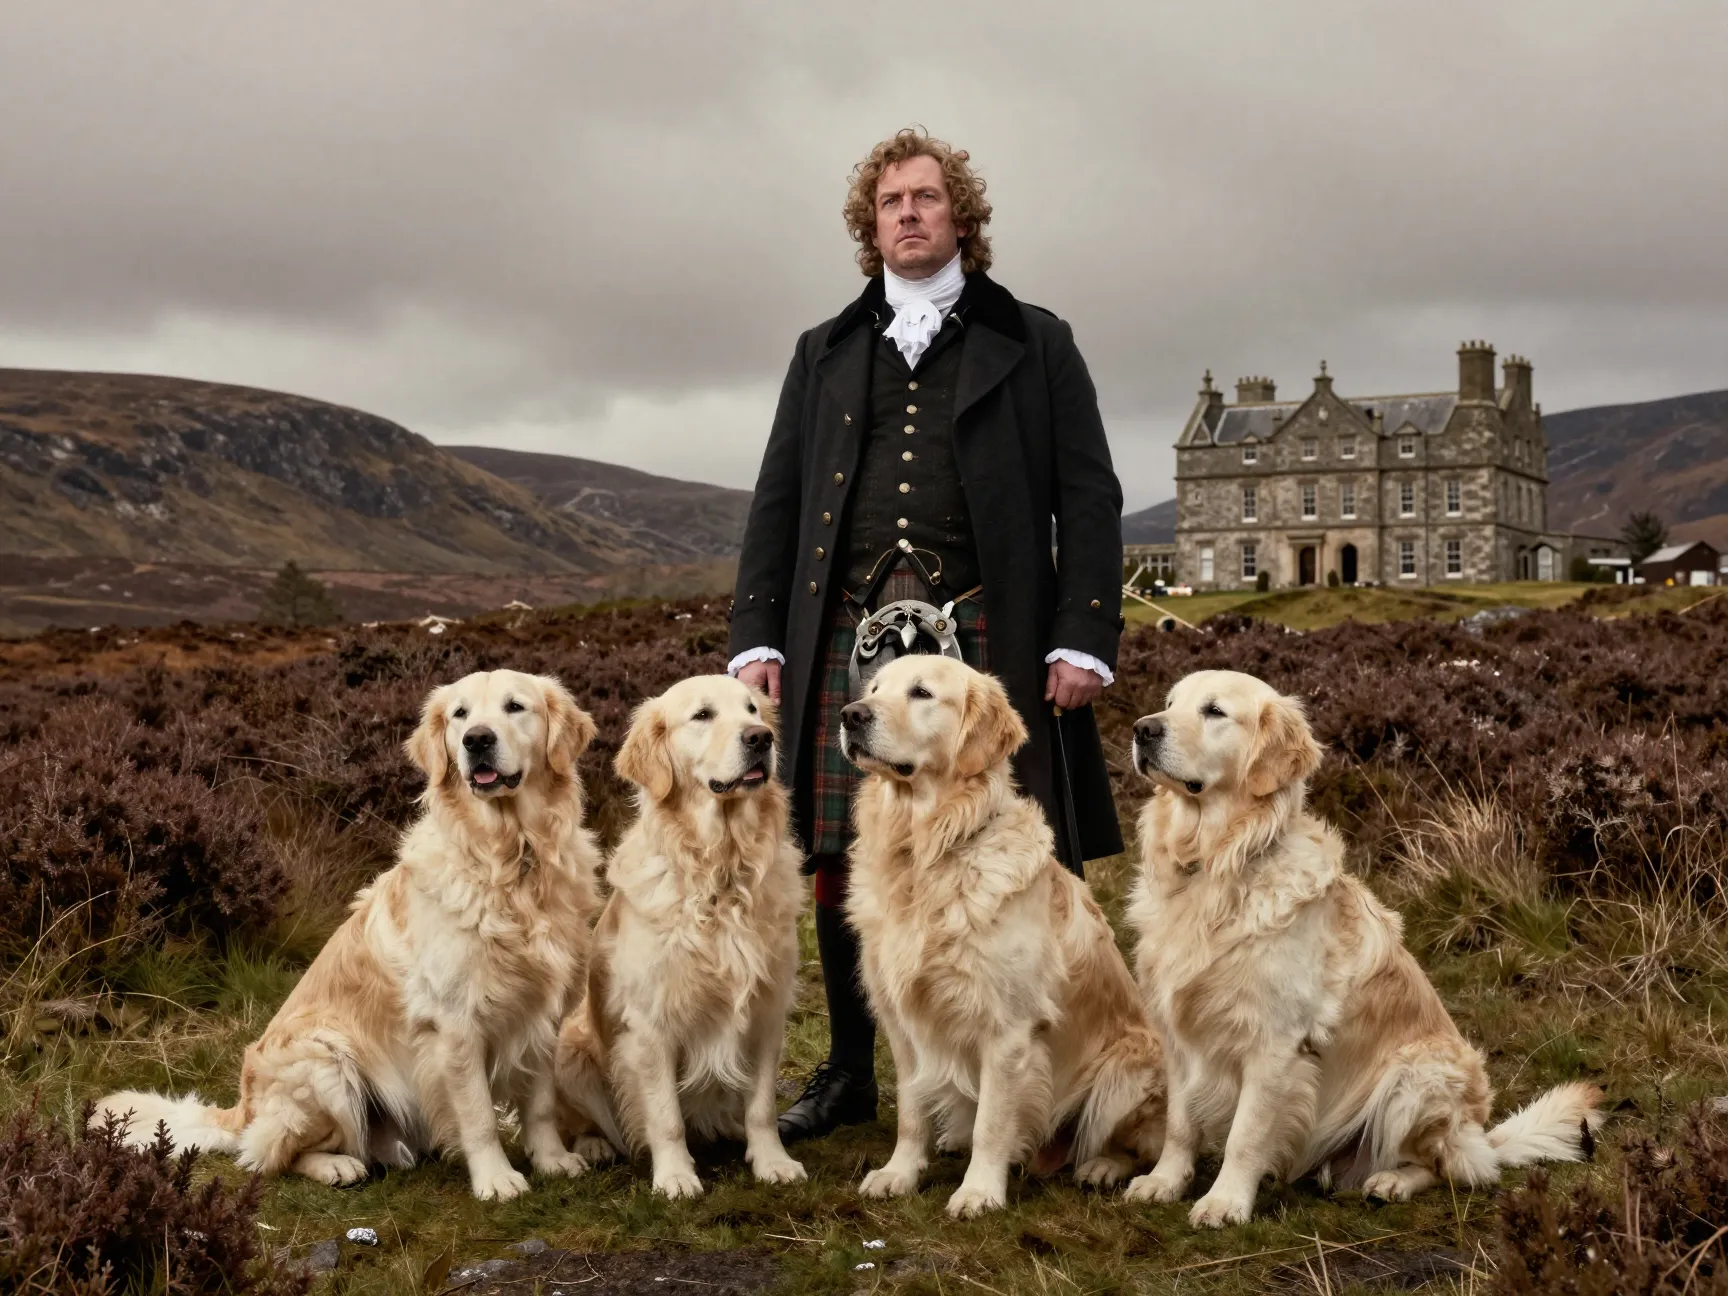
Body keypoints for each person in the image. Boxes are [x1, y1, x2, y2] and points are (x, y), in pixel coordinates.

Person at [728, 128, 1125, 1144]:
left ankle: (1045, 1054)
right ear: (872, 226)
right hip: (846, 627)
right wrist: (756, 637)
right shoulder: (823, 350)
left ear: (963, 217)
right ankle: (857, 1071)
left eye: (927, 198)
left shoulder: (1036, 339)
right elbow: (778, 501)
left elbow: (1087, 494)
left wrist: (1081, 635)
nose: (908, 213)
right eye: (890, 202)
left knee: (1014, 846)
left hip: (992, 625)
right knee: (846, 849)